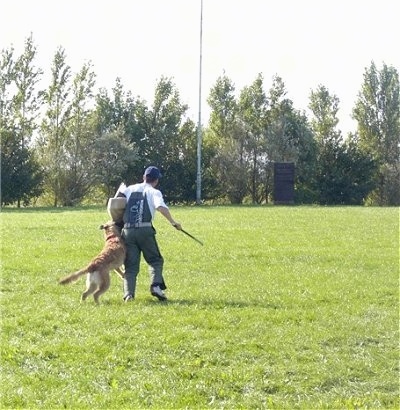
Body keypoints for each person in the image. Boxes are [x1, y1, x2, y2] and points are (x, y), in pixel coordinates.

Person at [114, 166, 182, 302]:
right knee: (155, 260)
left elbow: (115, 203)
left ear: (144, 177)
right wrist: (173, 222)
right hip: (145, 231)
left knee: (131, 266)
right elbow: (160, 207)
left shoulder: (129, 189)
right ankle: (156, 287)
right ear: (156, 180)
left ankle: (129, 295)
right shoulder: (154, 192)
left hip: (127, 231)